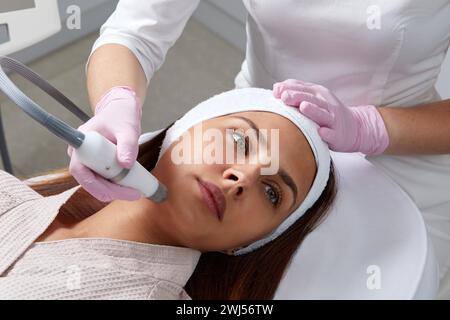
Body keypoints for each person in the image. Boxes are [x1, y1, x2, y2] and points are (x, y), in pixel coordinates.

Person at [75, 0, 450, 297]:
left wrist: (372, 127)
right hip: (256, 128)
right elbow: (134, 32)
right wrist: (116, 102)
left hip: (401, 155)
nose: (238, 180)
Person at [0, 88, 337, 299]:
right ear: (180, 134)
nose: (243, 177)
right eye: (239, 141)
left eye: (272, 192)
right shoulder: (9, 195)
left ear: (248, 244)